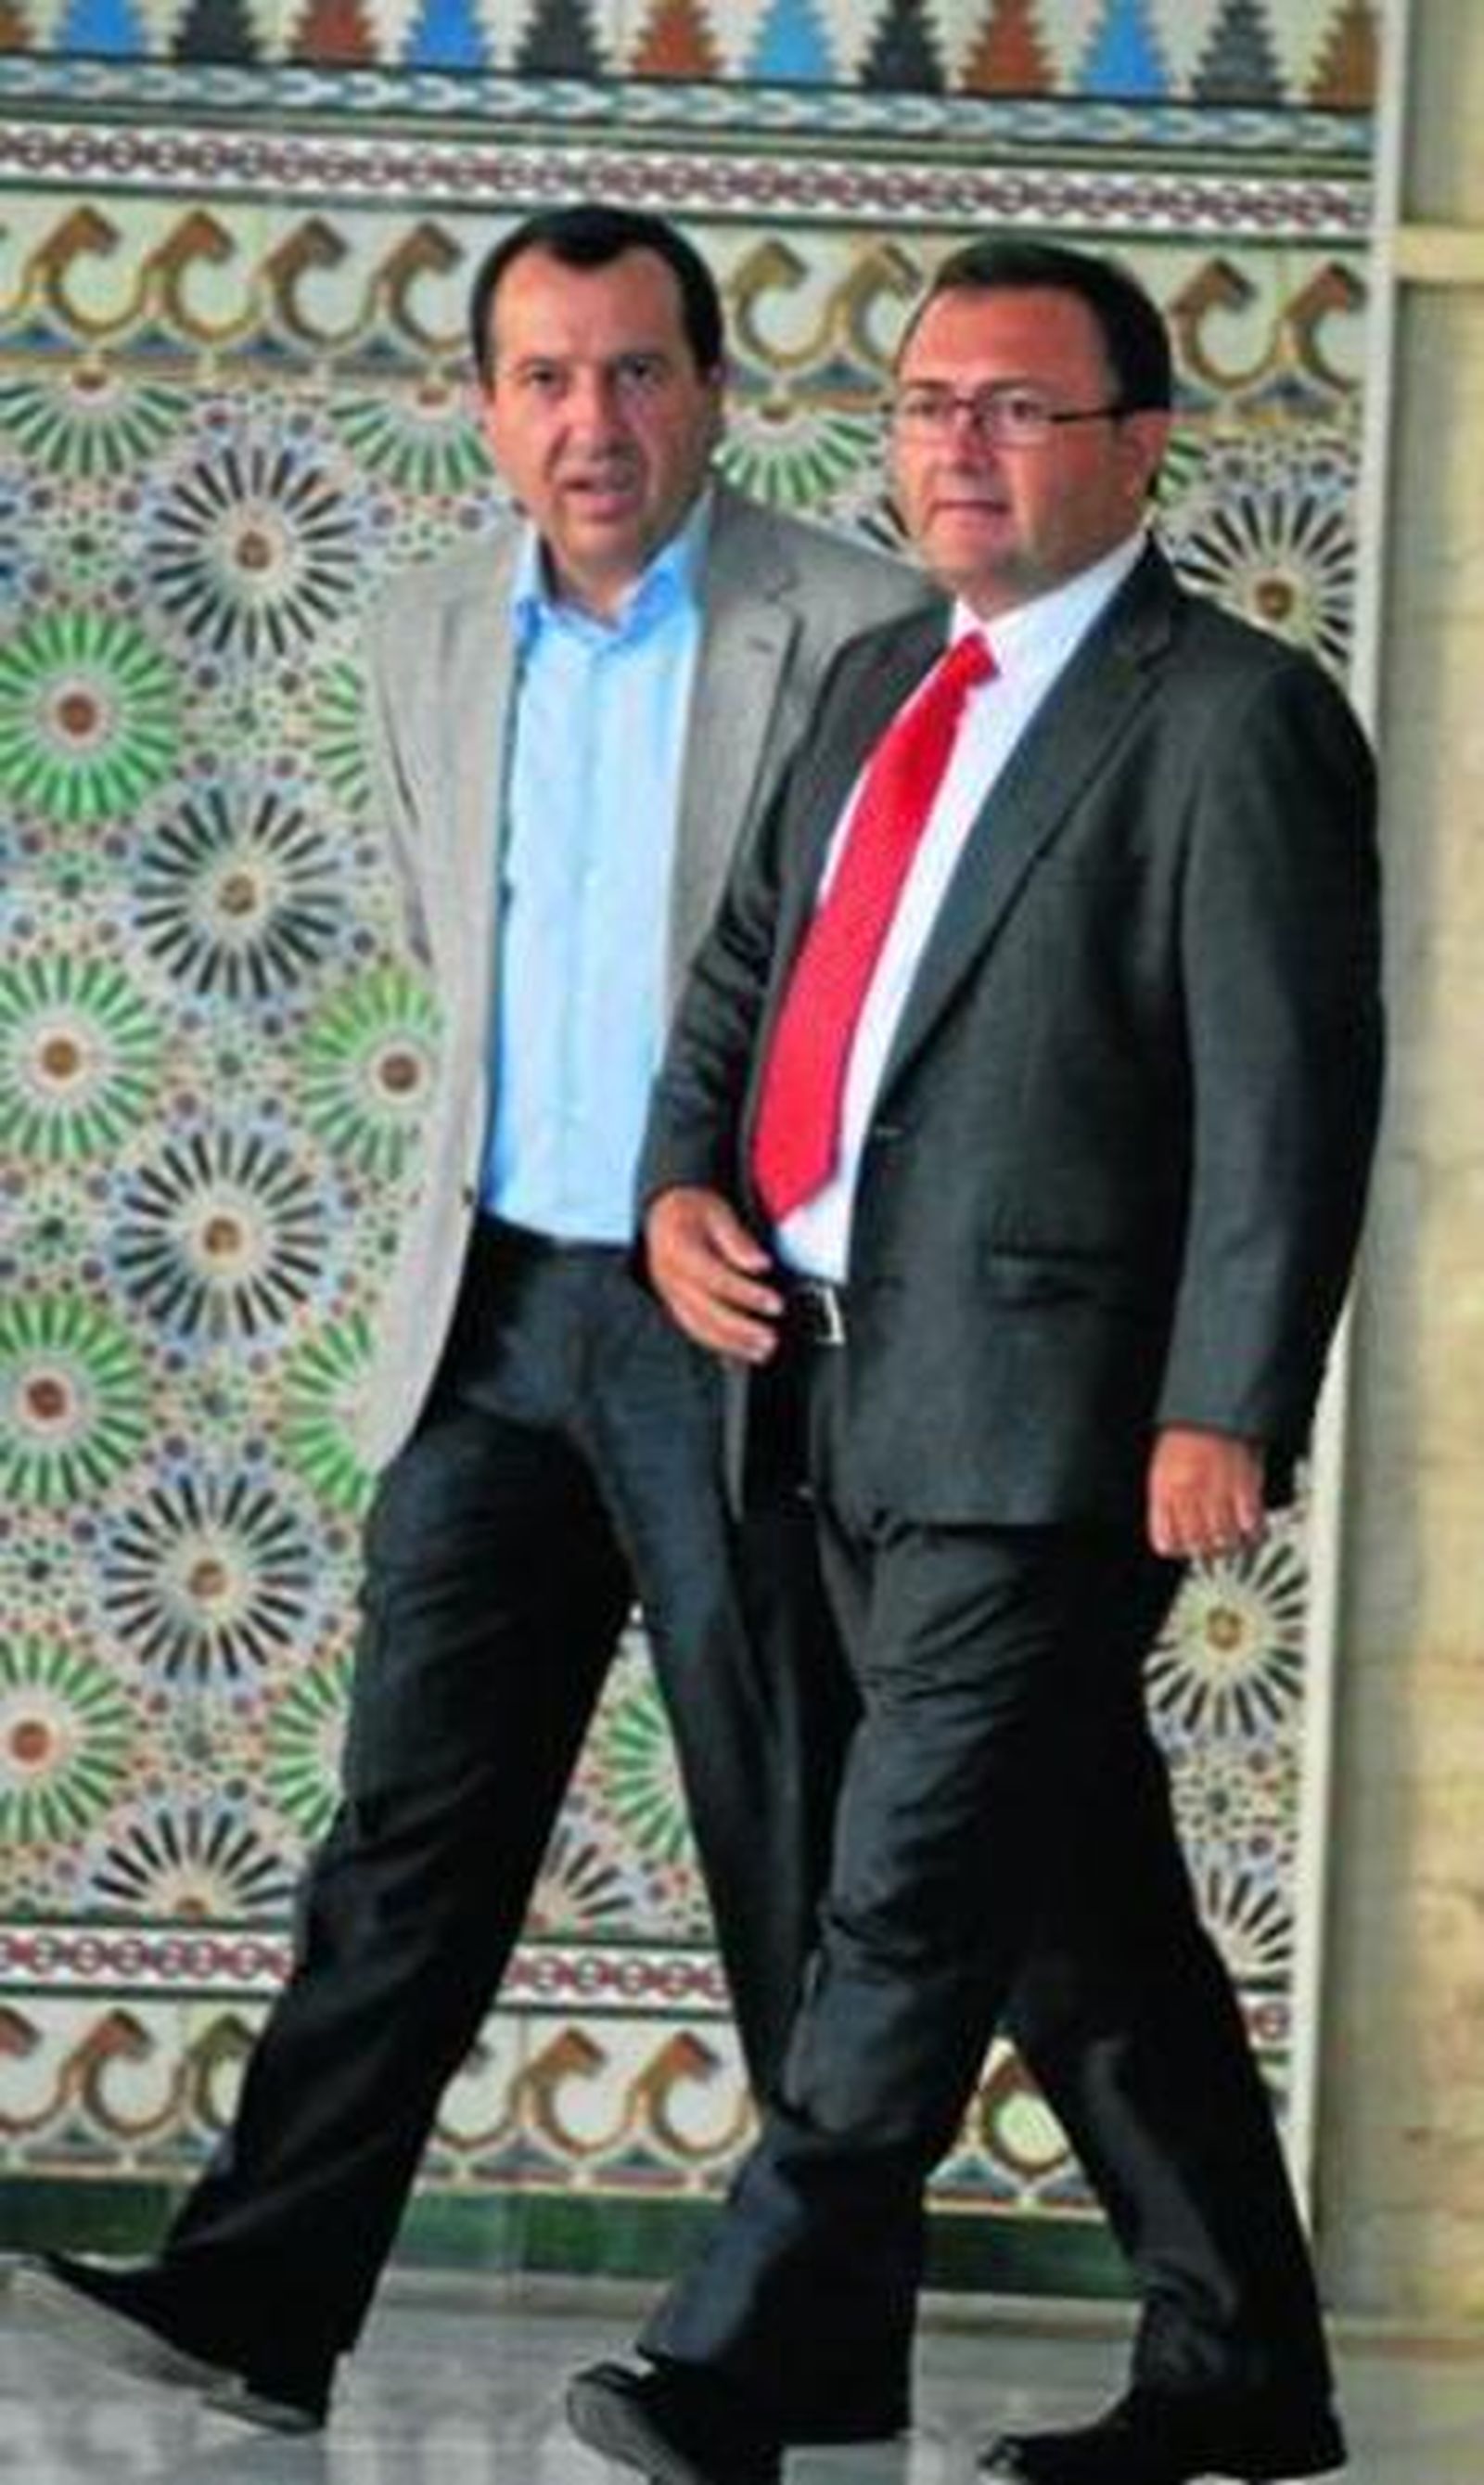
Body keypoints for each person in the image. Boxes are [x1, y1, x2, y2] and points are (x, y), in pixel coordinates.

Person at [9, 204, 937, 2433]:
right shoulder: (424, 624)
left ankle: (817, 2329)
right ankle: (259, 2291)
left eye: (633, 370)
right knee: (406, 1828)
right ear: (484, 406)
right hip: (490, 1308)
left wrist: (775, 1221)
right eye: (543, 376)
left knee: (786, 1828)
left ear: (712, 389)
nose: (589, 419)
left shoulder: (861, 627)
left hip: (736, 1318)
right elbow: (465, 945)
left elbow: (900, 991)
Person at [565, 237, 1384, 2485]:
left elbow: (1288, 1093)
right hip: (811, 1394)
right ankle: (1239, 2363)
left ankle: (745, 2351)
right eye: (930, 403)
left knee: (906, 1893)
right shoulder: (869, 684)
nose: (959, 445)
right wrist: (674, 1186)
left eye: (1018, 407)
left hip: (1052, 1427)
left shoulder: (1229, 716)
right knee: (1074, 1916)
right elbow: (742, 978)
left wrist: (1225, 1398)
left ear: (1137, 446)